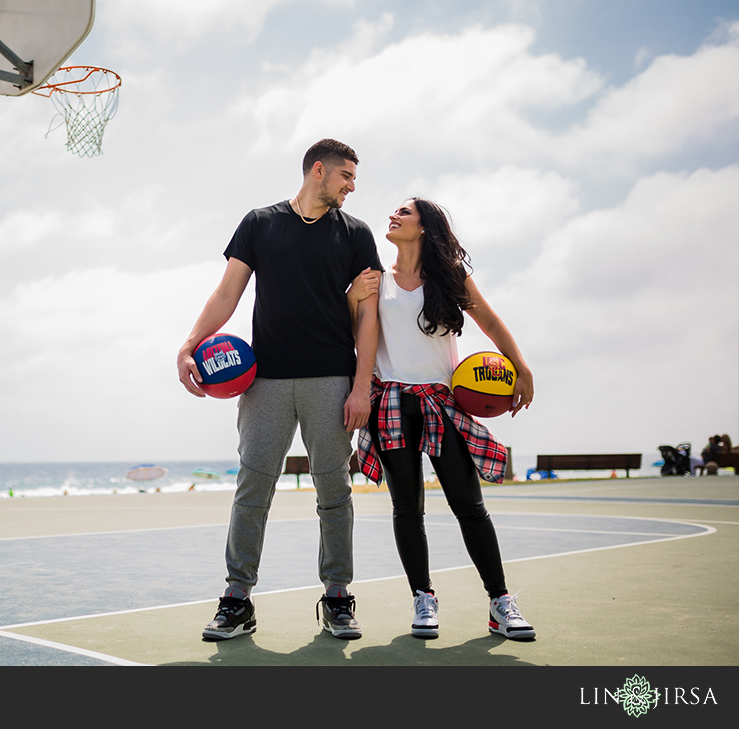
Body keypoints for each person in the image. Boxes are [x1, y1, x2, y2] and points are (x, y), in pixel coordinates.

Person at [177, 139, 382, 641]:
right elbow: (227, 293)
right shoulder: (259, 223)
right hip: (264, 381)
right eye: (346, 177)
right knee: (252, 490)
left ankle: (337, 597)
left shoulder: (356, 234)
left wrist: (361, 387)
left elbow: (368, 316)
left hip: (332, 379)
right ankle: (236, 600)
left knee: (334, 492)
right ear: (319, 170)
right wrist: (188, 346)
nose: (352, 186)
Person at [348, 197, 536, 641]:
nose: (393, 215)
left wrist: (521, 367)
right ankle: (423, 597)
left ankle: (501, 602)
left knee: (469, 507)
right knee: (406, 508)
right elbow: (362, 337)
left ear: (425, 228)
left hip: (440, 400)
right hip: (391, 401)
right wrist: (360, 388)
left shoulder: (450, 279)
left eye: (404, 212)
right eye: (394, 211)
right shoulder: (374, 279)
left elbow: (489, 319)